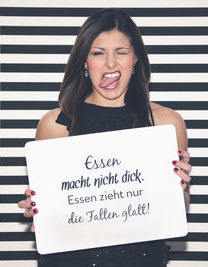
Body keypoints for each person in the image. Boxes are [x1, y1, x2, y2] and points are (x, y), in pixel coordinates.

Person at [18, 8, 192, 267]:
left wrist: (180, 184)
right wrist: (40, 208)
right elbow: (53, 214)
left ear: (135, 59)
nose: (111, 63)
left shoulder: (166, 123)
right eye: (98, 53)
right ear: (85, 62)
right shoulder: (55, 125)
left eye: (121, 52)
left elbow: (178, 209)